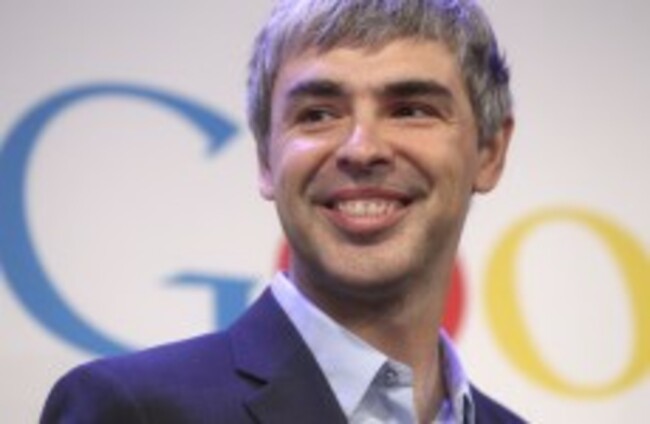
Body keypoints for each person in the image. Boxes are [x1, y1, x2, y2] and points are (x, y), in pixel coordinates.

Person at [41, 0, 522, 422]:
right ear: (265, 160)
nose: (362, 149)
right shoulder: (132, 410)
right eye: (318, 114)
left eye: (410, 110)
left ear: (490, 152)